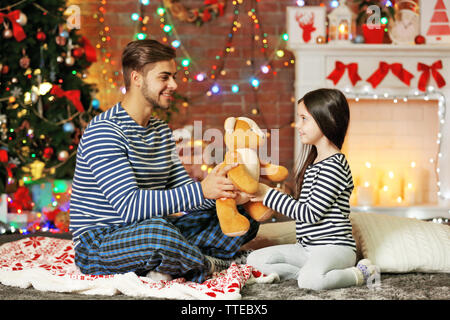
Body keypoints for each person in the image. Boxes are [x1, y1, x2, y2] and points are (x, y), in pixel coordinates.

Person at [69, 39, 259, 283]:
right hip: (101, 241)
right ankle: (210, 264)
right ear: (137, 78)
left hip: (153, 227)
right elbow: (130, 207)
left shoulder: (160, 129)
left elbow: (183, 192)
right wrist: (202, 190)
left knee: (243, 215)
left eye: (174, 77)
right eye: (165, 77)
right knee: (158, 234)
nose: (174, 84)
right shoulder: (105, 131)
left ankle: (172, 262)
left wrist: (224, 193)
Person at [246, 88, 379, 290]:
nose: (298, 125)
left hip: (335, 248)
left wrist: (266, 194)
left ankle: (359, 273)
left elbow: (310, 213)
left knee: (311, 281)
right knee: (253, 260)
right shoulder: (315, 163)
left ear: (326, 119)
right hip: (306, 248)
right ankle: (309, 273)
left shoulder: (335, 165)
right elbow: (303, 206)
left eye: (304, 119)